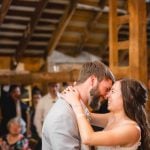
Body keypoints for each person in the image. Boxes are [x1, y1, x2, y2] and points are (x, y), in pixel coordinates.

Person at [42, 61, 115, 150]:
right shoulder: (63, 115)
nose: (107, 96)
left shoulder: (79, 109)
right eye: (107, 89)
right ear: (92, 81)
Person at [62, 78, 150, 150]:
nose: (107, 96)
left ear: (127, 97)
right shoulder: (112, 118)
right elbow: (87, 116)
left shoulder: (132, 129)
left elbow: (88, 138)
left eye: (113, 91)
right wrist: (76, 91)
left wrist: (76, 103)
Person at [34, 82, 59, 149]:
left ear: (58, 86)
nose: (54, 88)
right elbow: (37, 119)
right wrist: (40, 134)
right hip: (48, 132)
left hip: (61, 132)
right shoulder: (42, 100)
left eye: (56, 86)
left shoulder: (62, 98)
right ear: (48, 87)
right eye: (52, 86)